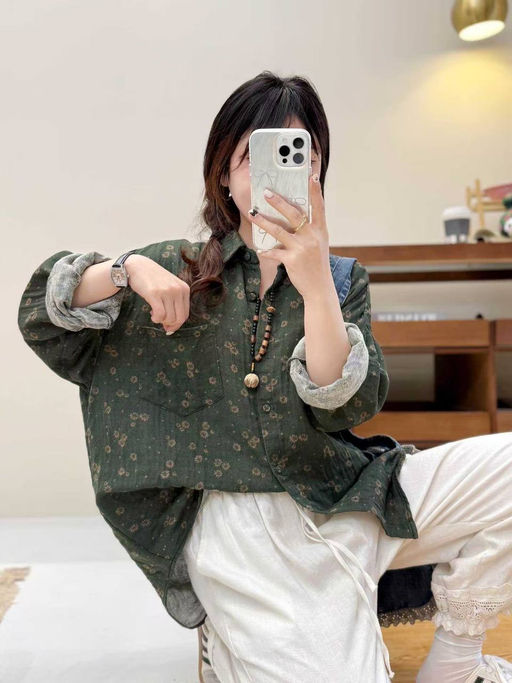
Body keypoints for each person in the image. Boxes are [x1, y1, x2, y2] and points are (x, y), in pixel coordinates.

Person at [18, 71, 512, 683]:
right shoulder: (177, 267)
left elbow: (343, 407)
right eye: (256, 154)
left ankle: (456, 665)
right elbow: (42, 315)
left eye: (302, 154)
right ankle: (230, 636)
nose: (280, 170)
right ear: (224, 173)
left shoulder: (340, 278)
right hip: (243, 530)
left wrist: (316, 285)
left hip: (351, 492)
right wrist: (124, 269)